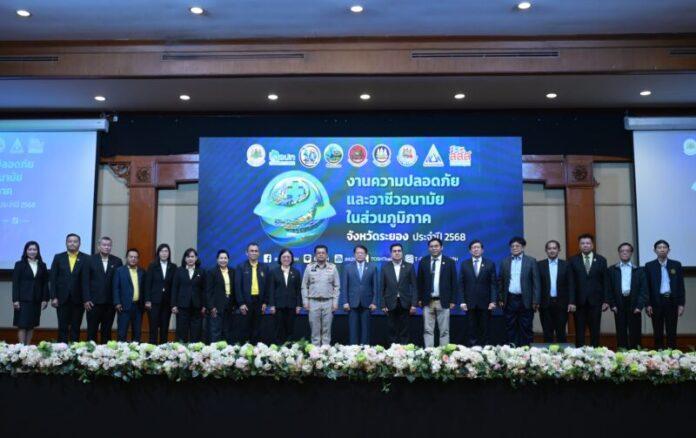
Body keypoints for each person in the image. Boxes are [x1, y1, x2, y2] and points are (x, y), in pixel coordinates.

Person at [567, 233, 610, 347]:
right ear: (579, 245)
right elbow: (571, 283)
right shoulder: (573, 260)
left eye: (588, 243)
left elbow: (605, 281)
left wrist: (606, 300)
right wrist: (571, 301)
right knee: (579, 332)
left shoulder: (601, 260)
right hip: (579, 303)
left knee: (595, 331)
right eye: (582, 243)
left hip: (596, 302)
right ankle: (579, 355)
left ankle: (595, 353)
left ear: (592, 245)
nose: (585, 245)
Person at [498, 236, 541, 347]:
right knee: (510, 327)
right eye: (512, 246)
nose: (514, 248)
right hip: (510, 299)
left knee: (526, 327)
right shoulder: (505, 262)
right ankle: (512, 352)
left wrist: (536, 300)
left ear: (523, 247)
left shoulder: (531, 261)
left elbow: (536, 282)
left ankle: (526, 351)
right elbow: (500, 281)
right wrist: (501, 298)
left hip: (526, 300)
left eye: (517, 246)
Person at [645, 240, 686, 349]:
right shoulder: (649, 266)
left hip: (672, 301)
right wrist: (647, 304)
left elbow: (680, 286)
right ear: (655, 250)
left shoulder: (676, 265)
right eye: (659, 247)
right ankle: (658, 354)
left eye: (664, 247)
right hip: (656, 302)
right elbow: (647, 287)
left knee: (671, 330)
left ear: (669, 250)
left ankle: (671, 353)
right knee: (657, 330)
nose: (662, 249)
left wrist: (681, 304)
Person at [417, 237, 458, 348]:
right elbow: (419, 282)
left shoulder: (449, 262)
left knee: (444, 330)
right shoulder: (424, 261)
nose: (434, 248)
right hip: (427, 301)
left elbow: (454, 282)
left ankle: (444, 354)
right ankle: (429, 353)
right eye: (431, 246)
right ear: (428, 248)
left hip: (443, 301)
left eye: (436, 246)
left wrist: (453, 300)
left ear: (441, 247)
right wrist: (419, 299)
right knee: (427, 330)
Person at [607, 243, 648, 349]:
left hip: (634, 303)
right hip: (619, 303)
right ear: (619, 253)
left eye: (627, 251)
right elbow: (608, 289)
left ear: (631, 253)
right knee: (621, 331)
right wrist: (612, 305)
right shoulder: (612, 270)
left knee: (635, 332)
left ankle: (636, 354)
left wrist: (639, 306)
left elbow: (644, 290)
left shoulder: (639, 270)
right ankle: (622, 353)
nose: (624, 252)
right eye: (622, 251)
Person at [50, 233, 88, 343]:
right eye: (70, 241)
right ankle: (62, 351)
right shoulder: (58, 257)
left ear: (79, 244)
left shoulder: (86, 258)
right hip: (62, 298)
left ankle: (75, 350)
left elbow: (86, 281)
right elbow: (53, 279)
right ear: (66, 243)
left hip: (79, 299)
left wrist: (86, 299)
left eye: (75, 241)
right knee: (62, 327)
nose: (72, 243)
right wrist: (53, 297)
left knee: (76, 327)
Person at [83, 236, 123, 343]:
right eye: (104, 245)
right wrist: (86, 299)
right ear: (98, 246)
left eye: (109, 245)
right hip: (93, 303)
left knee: (107, 332)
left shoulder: (117, 261)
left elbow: (119, 283)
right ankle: (91, 352)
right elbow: (85, 281)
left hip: (110, 303)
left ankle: (105, 353)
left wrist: (117, 301)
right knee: (92, 331)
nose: (106, 247)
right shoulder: (89, 260)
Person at [458, 240, 497, 346]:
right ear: (470, 251)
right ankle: (472, 350)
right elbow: (461, 284)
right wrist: (462, 301)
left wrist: (493, 301)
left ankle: (485, 350)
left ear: (482, 250)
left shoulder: (490, 264)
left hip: (486, 303)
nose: (476, 249)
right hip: (469, 303)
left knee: (485, 328)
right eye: (473, 248)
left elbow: (493, 284)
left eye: (478, 247)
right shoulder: (464, 264)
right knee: (471, 329)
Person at [301, 245, 340, 346]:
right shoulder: (309, 268)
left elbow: (337, 286)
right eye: (319, 253)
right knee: (315, 331)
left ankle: (325, 352)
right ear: (315, 255)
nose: (321, 255)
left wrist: (335, 302)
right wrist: (305, 302)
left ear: (326, 255)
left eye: (323, 253)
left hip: (328, 302)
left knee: (327, 330)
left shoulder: (333, 268)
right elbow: (304, 286)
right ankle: (315, 353)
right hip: (313, 302)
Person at [339, 245, 379, 345]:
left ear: (366, 254)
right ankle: (353, 350)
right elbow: (344, 286)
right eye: (357, 253)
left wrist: (374, 302)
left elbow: (375, 286)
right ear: (354, 254)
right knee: (353, 330)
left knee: (366, 330)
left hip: (367, 303)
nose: (360, 255)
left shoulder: (372, 267)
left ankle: (365, 350)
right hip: (352, 303)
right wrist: (345, 302)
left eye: (362, 253)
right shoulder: (347, 267)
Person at [12, 241, 49, 344]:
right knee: (22, 325)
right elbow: (15, 283)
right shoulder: (19, 264)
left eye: (34, 249)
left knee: (31, 325)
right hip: (22, 300)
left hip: (36, 299)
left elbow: (45, 283)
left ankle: (27, 348)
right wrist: (15, 300)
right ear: (26, 251)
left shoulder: (42, 265)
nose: (32, 251)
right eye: (30, 249)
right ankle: (21, 348)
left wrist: (45, 299)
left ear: (38, 251)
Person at [380, 243, 418, 345]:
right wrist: (383, 304)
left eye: (399, 251)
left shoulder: (409, 266)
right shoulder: (385, 267)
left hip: (405, 302)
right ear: (391, 253)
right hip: (390, 302)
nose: (397, 253)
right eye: (394, 251)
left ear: (402, 252)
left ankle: (404, 351)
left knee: (405, 329)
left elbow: (415, 287)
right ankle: (392, 351)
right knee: (391, 329)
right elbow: (382, 287)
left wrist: (414, 304)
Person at [537, 240, 573, 343]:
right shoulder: (539, 265)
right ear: (546, 250)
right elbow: (537, 285)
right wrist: (536, 301)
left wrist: (571, 302)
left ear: (559, 250)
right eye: (549, 248)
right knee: (547, 333)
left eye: (554, 248)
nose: (552, 250)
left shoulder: (566, 265)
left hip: (562, 304)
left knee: (561, 333)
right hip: (545, 304)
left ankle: (562, 353)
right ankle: (547, 353)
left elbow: (571, 285)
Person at [235, 242, 270, 344]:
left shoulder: (264, 267)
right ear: (247, 253)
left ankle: (256, 350)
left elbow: (267, 287)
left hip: (259, 302)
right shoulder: (241, 267)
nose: (254, 253)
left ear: (259, 253)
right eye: (251, 251)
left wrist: (265, 302)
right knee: (245, 328)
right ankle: (244, 350)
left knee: (258, 328)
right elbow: (237, 287)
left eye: (256, 251)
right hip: (246, 303)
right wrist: (241, 303)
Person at [171, 248, 206, 343]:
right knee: (182, 333)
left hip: (197, 307)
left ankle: (195, 351)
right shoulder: (179, 270)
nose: (190, 259)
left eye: (192, 256)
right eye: (188, 257)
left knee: (196, 333)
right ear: (185, 258)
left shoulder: (201, 271)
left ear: (196, 258)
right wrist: (173, 305)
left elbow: (204, 290)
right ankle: (181, 351)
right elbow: (174, 288)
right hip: (182, 306)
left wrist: (204, 305)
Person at [268, 248, 302, 344]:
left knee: (290, 329)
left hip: (292, 306)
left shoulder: (296, 272)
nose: (286, 259)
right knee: (279, 329)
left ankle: (289, 349)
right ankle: (279, 349)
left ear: (291, 259)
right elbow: (271, 290)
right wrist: (272, 305)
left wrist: (299, 305)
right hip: (278, 306)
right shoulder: (274, 272)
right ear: (280, 258)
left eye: (288, 257)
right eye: (284, 257)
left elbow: (298, 290)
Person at [145, 243, 176, 344]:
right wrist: (147, 300)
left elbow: (174, 286)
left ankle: (163, 350)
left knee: (164, 328)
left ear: (169, 253)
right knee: (153, 328)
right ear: (158, 253)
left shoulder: (173, 267)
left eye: (166, 251)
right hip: (154, 302)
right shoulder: (152, 266)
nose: (164, 253)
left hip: (167, 302)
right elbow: (147, 284)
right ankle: (152, 349)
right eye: (162, 251)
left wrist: (173, 303)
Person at [113, 248, 145, 342]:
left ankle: (136, 350)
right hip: (123, 306)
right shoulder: (119, 271)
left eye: (135, 257)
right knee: (122, 333)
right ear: (126, 258)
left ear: (138, 259)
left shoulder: (142, 271)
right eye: (131, 257)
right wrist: (117, 302)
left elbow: (145, 288)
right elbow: (116, 288)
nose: (133, 259)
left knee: (137, 334)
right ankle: (121, 350)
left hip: (138, 307)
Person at [207, 249, 235, 343]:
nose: (223, 260)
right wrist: (211, 307)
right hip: (216, 307)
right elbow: (208, 291)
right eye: (221, 258)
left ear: (228, 259)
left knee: (227, 333)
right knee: (215, 333)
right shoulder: (211, 272)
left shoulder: (232, 271)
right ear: (217, 260)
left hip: (229, 307)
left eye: (225, 258)